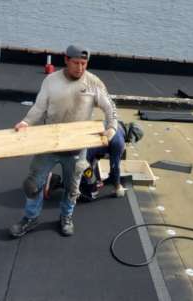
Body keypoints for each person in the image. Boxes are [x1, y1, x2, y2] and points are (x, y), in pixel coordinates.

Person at [9, 45, 118, 238]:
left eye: (84, 64)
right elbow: (39, 107)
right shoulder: (51, 81)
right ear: (66, 59)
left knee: (72, 188)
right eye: (76, 63)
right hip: (49, 143)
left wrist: (111, 128)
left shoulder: (93, 82)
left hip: (76, 147)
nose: (80, 68)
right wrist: (26, 122)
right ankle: (30, 218)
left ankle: (66, 216)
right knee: (32, 185)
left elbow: (110, 108)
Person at [85, 121, 127, 198]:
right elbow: (115, 167)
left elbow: (99, 149)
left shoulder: (113, 124)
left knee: (90, 170)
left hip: (79, 144)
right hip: (82, 157)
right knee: (91, 193)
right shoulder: (120, 142)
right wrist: (117, 186)